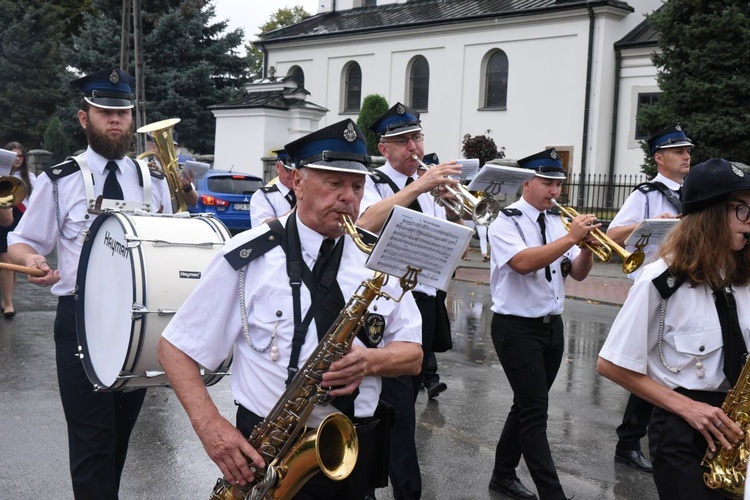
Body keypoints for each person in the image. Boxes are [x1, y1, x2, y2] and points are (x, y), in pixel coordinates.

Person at [157, 118, 423, 499]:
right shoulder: (249, 256)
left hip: (354, 447)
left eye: (357, 185)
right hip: (269, 449)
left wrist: (370, 363)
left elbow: (413, 354)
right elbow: (175, 348)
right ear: (298, 182)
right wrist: (210, 425)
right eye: (334, 184)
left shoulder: (378, 255)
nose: (349, 197)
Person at [7, 67, 172, 499]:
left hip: (138, 324)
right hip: (81, 318)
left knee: (117, 438)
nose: (113, 120)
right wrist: (34, 260)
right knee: (92, 441)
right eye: (103, 112)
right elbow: (22, 241)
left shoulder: (153, 181)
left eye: (121, 113)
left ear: (132, 119)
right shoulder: (58, 180)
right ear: (85, 119)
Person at [597, 158, 750, 499]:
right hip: (682, 429)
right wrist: (687, 407)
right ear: (710, 215)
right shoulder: (661, 281)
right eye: (741, 209)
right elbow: (610, 364)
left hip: (737, 428)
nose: (749, 220)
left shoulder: (744, 279)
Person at [356, 102, 461, 500]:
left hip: (425, 299)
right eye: (402, 141)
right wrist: (419, 185)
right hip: (383, 303)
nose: (412, 147)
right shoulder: (372, 182)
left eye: (416, 137)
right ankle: (389, 486)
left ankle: (390, 483)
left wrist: (456, 212)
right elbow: (364, 224)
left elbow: (451, 243)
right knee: (390, 405)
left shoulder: (429, 186)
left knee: (408, 398)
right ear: (384, 148)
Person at [487, 148, 597, 500]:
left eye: (559, 184)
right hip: (516, 328)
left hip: (552, 326)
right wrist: (570, 239)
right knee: (535, 413)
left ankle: (502, 475)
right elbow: (522, 263)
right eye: (548, 182)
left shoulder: (556, 222)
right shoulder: (506, 221)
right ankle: (554, 494)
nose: (555, 191)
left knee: (526, 404)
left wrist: (588, 249)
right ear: (527, 182)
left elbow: (576, 274)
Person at [604, 123, 694, 473]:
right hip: (655, 288)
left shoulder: (694, 191)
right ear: (659, 158)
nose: (687, 156)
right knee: (647, 366)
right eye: (678, 151)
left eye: (687, 150)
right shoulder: (646, 194)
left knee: (676, 362)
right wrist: (651, 220)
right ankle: (629, 441)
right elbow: (614, 234)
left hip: (688, 285)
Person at [0, 141, 36, 318]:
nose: (17, 159)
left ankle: (7, 299)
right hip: (4, 215)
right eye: (14, 156)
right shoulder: (1, 173)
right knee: (6, 259)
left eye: (20, 156)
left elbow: (35, 200)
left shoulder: (28, 176)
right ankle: (8, 303)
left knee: (11, 263)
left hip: (20, 218)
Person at [146, 135, 199, 207]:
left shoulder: (179, 171)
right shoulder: (144, 167)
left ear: (176, 149)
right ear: (153, 146)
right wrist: (144, 173)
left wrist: (187, 188)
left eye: (171, 146)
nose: (167, 149)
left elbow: (193, 202)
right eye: (163, 144)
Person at [250, 148, 296, 227]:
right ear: (278, 167)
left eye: (297, 170)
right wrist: (296, 212)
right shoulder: (263, 196)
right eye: (289, 170)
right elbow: (263, 228)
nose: (294, 175)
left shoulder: (308, 193)